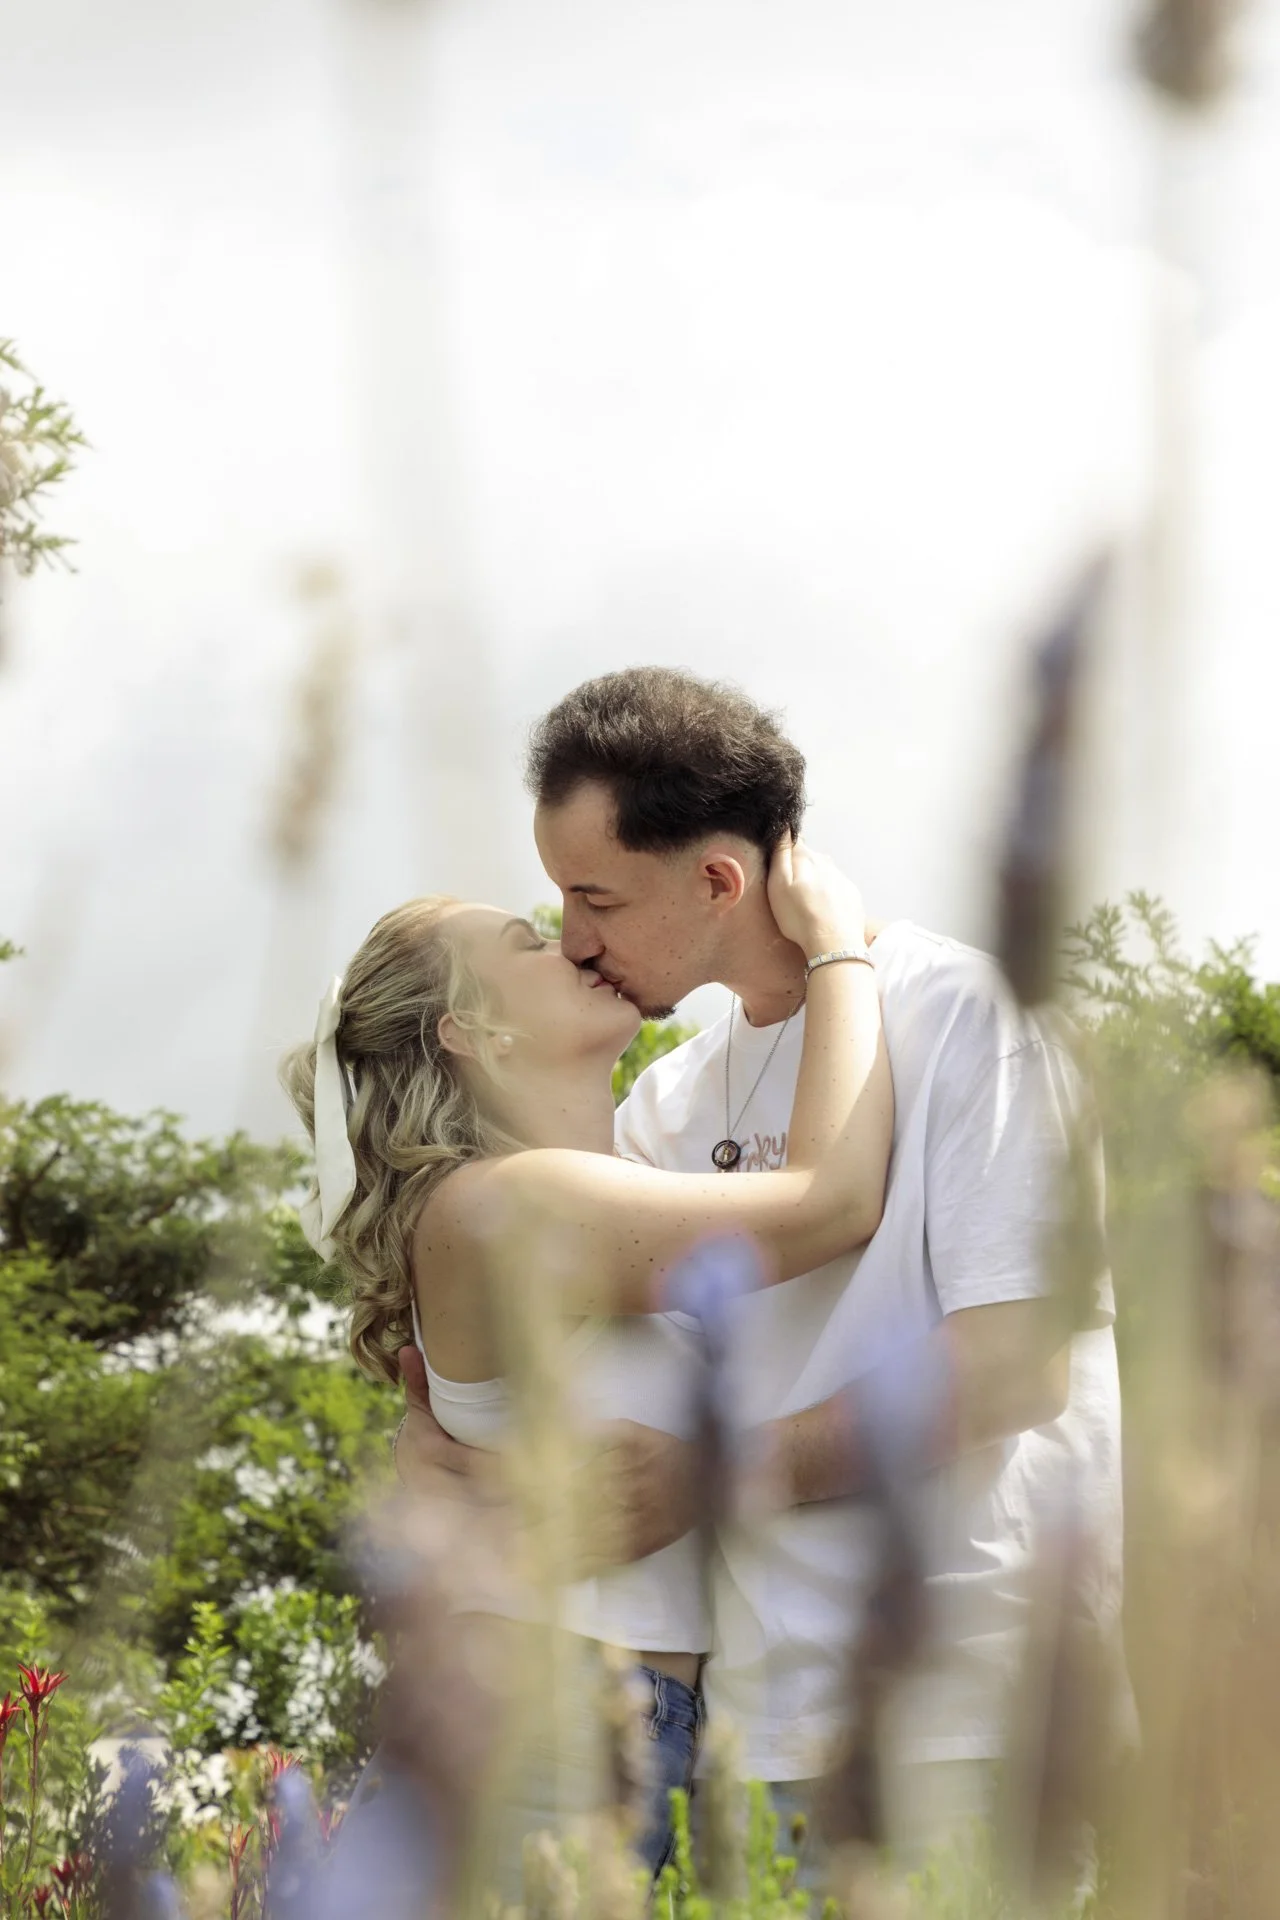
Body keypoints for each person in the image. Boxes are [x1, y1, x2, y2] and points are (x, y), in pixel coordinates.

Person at [398, 665, 1129, 1880]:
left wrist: (716, 1475)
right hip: (743, 1733)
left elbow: (1014, 1366)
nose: (573, 940)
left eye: (593, 898)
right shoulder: (665, 1101)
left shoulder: (967, 1013)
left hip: (964, 1711)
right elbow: (593, 1359)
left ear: (716, 882)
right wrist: (447, 1448)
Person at [281, 835, 893, 1901]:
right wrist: (839, 948)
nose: (570, 943)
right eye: (527, 942)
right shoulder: (499, 1203)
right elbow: (831, 1202)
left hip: (614, 1727)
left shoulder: (594, 1189)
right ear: (471, 1029)